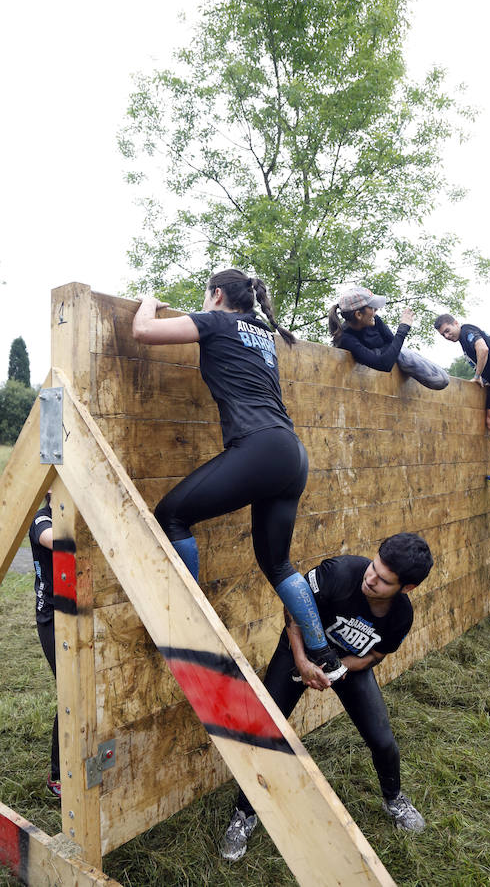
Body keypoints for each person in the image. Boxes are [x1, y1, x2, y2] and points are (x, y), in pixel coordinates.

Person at [132, 268, 346, 681]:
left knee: (172, 515)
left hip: (260, 446)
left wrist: (147, 300)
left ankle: (189, 624)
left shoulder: (215, 321)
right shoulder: (263, 334)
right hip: (291, 453)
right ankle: (325, 656)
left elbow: (143, 331)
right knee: (278, 563)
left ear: (215, 295)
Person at [220, 532, 434, 862]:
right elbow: (293, 608)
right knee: (264, 729)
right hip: (299, 650)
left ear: (406, 588)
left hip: (347, 665)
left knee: (383, 741)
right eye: (374, 566)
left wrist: (340, 670)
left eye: (383, 579)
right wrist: (304, 663)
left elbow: (376, 654)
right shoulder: (340, 573)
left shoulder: (401, 616)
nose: (371, 578)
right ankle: (244, 814)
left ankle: (394, 799)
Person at [434, 314, 490, 481]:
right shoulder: (463, 341)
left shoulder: (467, 330)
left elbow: (483, 349)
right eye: (443, 335)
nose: (446, 336)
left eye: (447, 330)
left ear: (456, 323)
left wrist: (477, 376)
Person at [329, 287, 450, 390]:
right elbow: (384, 364)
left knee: (441, 378)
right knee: (440, 380)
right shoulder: (346, 338)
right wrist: (403, 328)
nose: (376, 311)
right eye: (372, 308)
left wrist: (380, 353)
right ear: (359, 314)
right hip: (368, 384)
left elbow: (394, 347)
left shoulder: (375, 320)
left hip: (396, 361)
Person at [29, 492, 61, 798]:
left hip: (74, 611)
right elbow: (53, 539)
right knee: (69, 692)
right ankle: (57, 775)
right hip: (50, 617)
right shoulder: (43, 518)